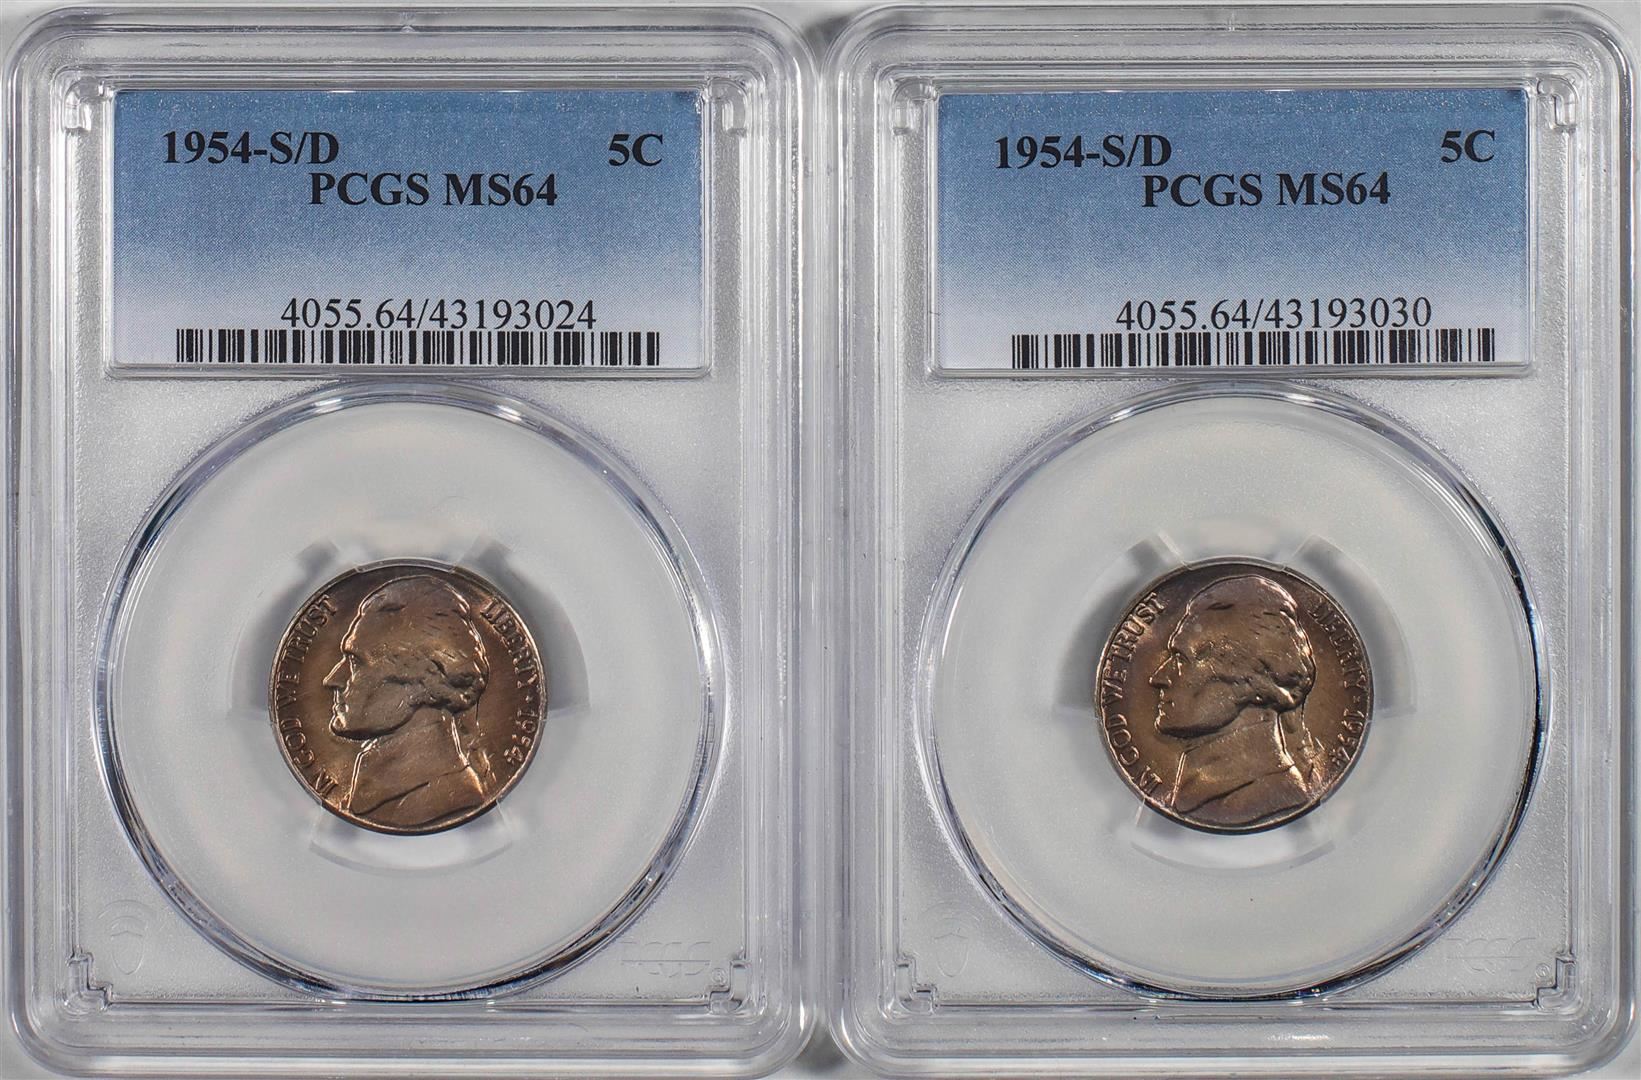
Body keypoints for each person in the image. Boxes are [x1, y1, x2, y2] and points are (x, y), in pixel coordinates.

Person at [1149, 573, 1318, 829]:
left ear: (1250, 679)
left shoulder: (1266, 800)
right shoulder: (1202, 794)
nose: (1158, 678)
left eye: (1182, 660)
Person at [323, 575, 492, 830]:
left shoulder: (450, 800)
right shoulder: (377, 787)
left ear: (421, 680)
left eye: (356, 662)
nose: (332, 679)